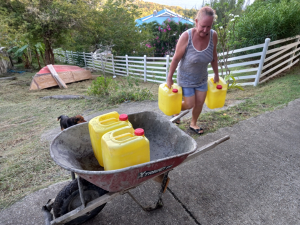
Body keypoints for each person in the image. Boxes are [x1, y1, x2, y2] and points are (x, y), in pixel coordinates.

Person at [167, 6, 219, 135]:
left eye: (209, 26)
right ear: (196, 22)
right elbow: (176, 59)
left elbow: (214, 57)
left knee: (200, 103)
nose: (205, 30)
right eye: (203, 26)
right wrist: (169, 77)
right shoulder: (186, 36)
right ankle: (175, 109)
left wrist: (217, 74)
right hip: (186, 77)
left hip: (201, 77)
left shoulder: (213, 36)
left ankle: (193, 123)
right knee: (190, 104)